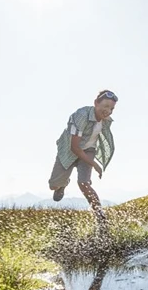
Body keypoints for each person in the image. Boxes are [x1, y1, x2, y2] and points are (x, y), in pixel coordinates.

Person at [48, 90, 117, 227]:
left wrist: (92, 161)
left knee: (84, 183)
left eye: (112, 108)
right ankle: (62, 184)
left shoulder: (105, 120)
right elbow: (74, 147)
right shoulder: (81, 115)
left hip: (89, 150)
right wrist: (95, 165)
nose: (108, 111)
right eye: (105, 106)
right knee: (53, 185)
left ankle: (101, 218)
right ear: (96, 103)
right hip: (68, 150)